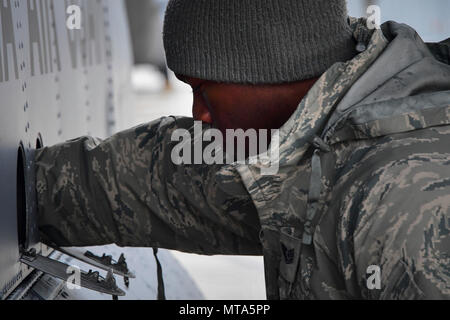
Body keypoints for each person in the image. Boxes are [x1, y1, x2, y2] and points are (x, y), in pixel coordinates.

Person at [35, 0, 450, 299]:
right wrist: (32, 184)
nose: (198, 115)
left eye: (202, 88)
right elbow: (159, 180)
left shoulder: (400, 202)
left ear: (265, 70)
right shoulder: (305, 140)